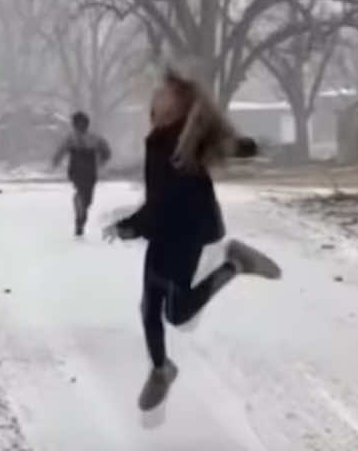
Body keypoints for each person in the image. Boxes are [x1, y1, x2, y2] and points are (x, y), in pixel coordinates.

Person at [105, 67, 281, 410]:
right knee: (149, 307)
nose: (156, 96)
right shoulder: (159, 140)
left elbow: (165, 198)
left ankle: (233, 264)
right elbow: (158, 199)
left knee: (177, 313)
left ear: (177, 106)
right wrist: (135, 225)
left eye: (164, 93)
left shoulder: (179, 142)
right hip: (167, 231)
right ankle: (161, 370)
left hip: (185, 232)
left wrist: (131, 225)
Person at [52, 111, 112, 237]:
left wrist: (56, 161)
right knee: (83, 194)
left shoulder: (94, 138)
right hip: (80, 169)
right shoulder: (73, 138)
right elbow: (106, 152)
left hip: (86, 169)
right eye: (78, 124)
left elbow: (106, 151)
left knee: (87, 199)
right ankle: (80, 214)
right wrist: (56, 160)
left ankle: (80, 215)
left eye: (82, 123)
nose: (80, 126)